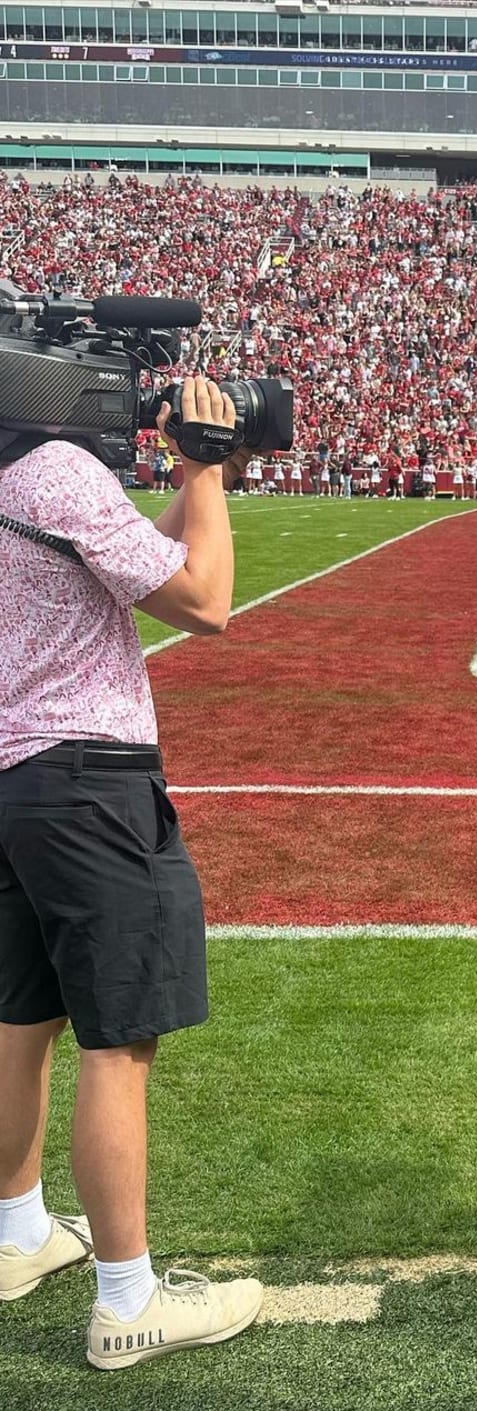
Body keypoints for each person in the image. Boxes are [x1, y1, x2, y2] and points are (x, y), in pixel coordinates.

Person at [0, 377, 264, 1370]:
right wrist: (201, 463)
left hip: (14, 779)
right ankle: (128, 1298)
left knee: (22, 1017)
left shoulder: (24, 480)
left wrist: (198, 481)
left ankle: (17, 1233)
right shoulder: (56, 469)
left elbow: (128, 557)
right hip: (89, 782)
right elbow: (203, 600)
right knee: (120, 1037)